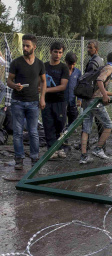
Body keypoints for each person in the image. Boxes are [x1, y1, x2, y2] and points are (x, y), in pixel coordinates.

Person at [6, 34, 46, 170]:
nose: (24, 48)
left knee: (33, 131)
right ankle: (19, 159)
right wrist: (15, 86)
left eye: (27, 45)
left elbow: (44, 81)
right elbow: (9, 81)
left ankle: (35, 158)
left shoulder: (40, 64)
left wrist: (42, 97)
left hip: (33, 103)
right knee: (17, 132)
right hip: (17, 102)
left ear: (34, 47)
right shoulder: (16, 63)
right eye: (23, 45)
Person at [79, 52, 112, 164]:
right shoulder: (109, 68)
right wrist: (105, 95)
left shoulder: (102, 67)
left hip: (87, 100)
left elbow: (97, 87)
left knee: (86, 128)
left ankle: (83, 156)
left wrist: (111, 94)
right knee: (108, 125)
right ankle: (98, 149)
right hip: (95, 102)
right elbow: (99, 81)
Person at [43, 42, 69, 158]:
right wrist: (42, 94)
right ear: (50, 51)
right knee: (48, 125)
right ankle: (51, 150)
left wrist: (46, 90)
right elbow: (39, 83)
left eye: (60, 52)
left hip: (60, 101)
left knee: (60, 125)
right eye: (55, 52)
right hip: (47, 101)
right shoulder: (43, 66)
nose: (58, 54)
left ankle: (60, 148)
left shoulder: (63, 67)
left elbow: (63, 86)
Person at [64, 52, 81, 128]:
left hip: (73, 102)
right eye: (69, 64)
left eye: (73, 64)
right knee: (62, 121)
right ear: (66, 62)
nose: (71, 66)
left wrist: (79, 99)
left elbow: (79, 87)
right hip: (62, 102)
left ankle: (67, 134)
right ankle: (62, 138)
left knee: (73, 121)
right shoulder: (62, 71)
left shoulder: (77, 72)